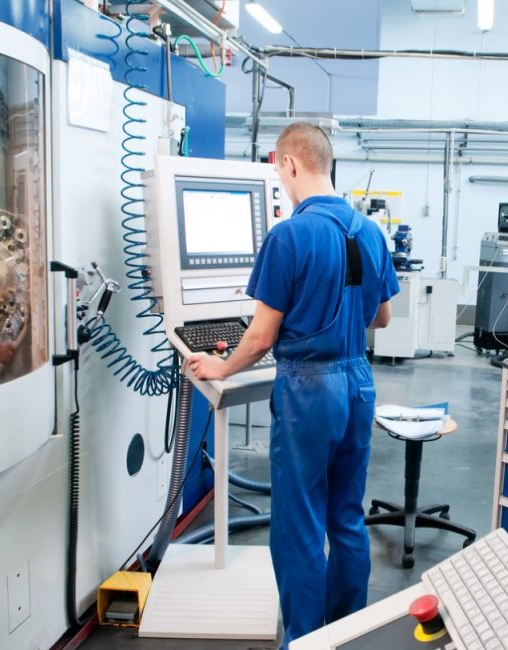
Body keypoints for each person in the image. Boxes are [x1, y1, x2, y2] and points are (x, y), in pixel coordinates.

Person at [188, 122, 399, 647]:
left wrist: (219, 368)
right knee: (346, 517)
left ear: (288, 164)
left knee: (299, 524)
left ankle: (305, 639)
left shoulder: (288, 235)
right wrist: (343, 312)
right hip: (357, 383)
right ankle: (348, 631)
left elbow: (260, 336)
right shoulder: (369, 231)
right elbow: (384, 318)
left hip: (309, 390)